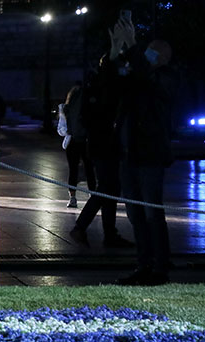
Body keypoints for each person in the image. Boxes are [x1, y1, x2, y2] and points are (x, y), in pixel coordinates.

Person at [109, 17, 177, 285]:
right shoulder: (140, 76)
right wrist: (116, 51)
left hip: (150, 155)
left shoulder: (166, 77)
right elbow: (114, 84)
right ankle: (144, 264)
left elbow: (146, 78)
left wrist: (134, 45)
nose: (148, 55)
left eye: (153, 52)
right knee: (136, 215)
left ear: (164, 58)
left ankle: (159, 267)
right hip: (129, 154)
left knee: (151, 213)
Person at [69, 61, 133, 249]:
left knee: (109, 189)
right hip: (105, 145)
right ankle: (83, 227)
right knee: (107, 188)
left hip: (100, 145)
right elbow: (105, 116)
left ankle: (108, 233)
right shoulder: (104, 90)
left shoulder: (95, 87)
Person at [59, 82, 96, 208]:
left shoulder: (65, 108)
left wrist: (69, 131)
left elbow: (61, 129)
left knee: (73, 170)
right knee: (89, 169)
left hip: (72, 141)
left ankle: (72, 198)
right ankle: (92, 195)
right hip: (85, 140)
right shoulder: (88, 106)